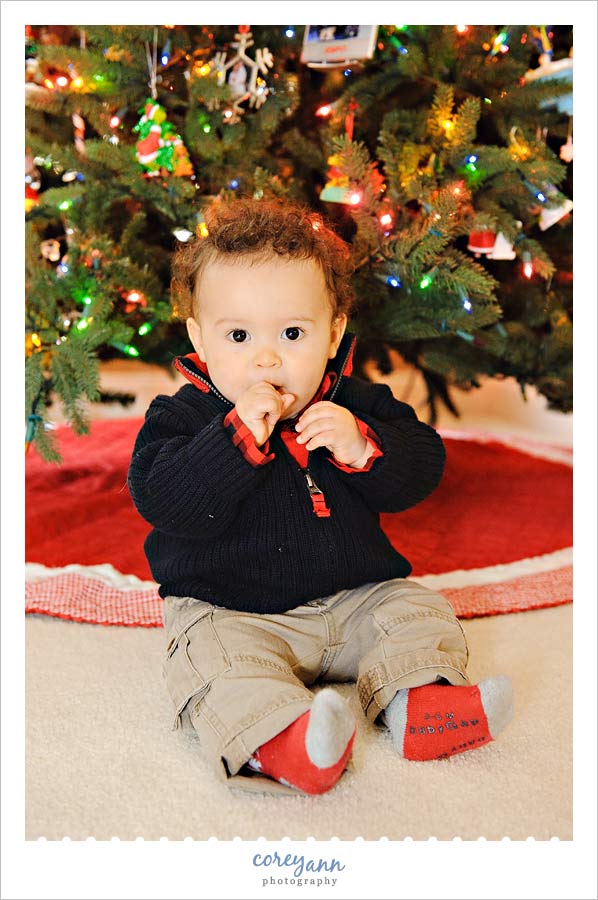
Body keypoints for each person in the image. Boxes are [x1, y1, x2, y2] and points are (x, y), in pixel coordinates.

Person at [128, 199, 514, 796]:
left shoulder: (353, 405)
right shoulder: (182, 418)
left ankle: (423, 703)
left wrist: (366, 447)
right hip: (232, 608)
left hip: (353, 598)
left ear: (332, 332)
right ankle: (285, 742)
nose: (267, 357)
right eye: (238, 335)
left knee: (414, 609)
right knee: (214, 661)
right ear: (199, 339)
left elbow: (424, 465)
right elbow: (163, 498)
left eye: (291, 332)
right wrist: (231, 443)